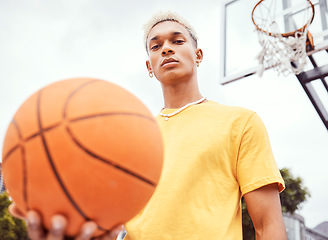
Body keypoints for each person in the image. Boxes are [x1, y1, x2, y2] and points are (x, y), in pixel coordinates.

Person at [9, 12, 287, 240]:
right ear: (149, 66)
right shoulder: (132, 139)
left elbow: (267, 226)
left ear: (198, 55)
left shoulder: (240, 122)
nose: (166, 48)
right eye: (156, 46)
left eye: (177, 41)